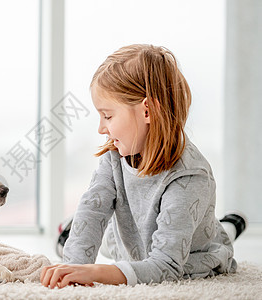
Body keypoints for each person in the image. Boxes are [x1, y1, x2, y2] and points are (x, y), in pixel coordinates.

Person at [40, 44, 247, 288]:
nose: (101, 128)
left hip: (192, 254)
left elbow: (165, 265)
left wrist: (93, 271)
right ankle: (70, 227)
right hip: (130, 241)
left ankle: (231, 223)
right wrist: (73, 268)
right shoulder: (114, 156)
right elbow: (93, 211)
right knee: (99, 237)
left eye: (107, 116)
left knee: (219, 240)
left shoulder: (190, 177)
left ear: (147, 111)